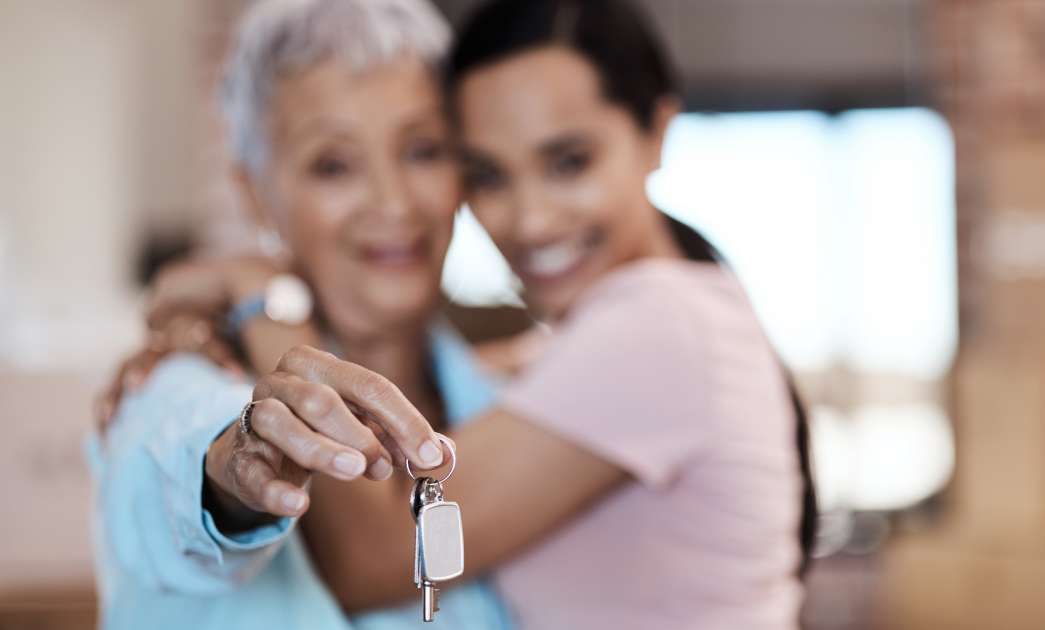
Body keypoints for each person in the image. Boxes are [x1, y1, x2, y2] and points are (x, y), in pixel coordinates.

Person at [174, 1, 816, 628]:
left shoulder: (660, 325)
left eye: (569, 162)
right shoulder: (655, 318)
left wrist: (264, 301)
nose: (531, 220)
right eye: (488, 176)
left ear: (658, 132)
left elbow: (377, 558)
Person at [89, 1, 513, 628]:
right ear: (255, 194)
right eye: (333, 164)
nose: (394, 202)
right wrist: (240, 467)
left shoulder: (504, 400)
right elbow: (188, 457)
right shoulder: (180, 379)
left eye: (423, 150)